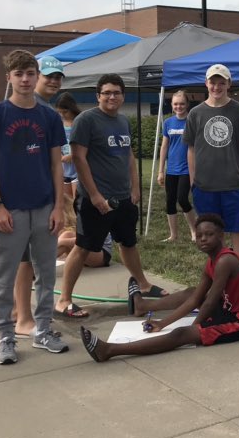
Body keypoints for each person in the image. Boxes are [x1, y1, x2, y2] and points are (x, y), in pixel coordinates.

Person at [0, 50, 68, 364]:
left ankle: (43, 330)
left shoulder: (49, 117)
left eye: (30, 73)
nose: (26, 79)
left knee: (46, 275)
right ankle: (6, 337)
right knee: (4, 278)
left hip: (44, 207)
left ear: (36, 75)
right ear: (9, 78)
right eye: (19, 74)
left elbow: (57, 165)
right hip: (11, 211)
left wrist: (59, 207)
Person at [55, 73, 166, 318]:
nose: (111, 97)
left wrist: (135, 187)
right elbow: (78, 158)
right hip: (95, 200)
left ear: (122, 95)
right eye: (106, 92)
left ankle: (144, 285)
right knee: (83, 247)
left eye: (116, 92)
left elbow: (128, 156)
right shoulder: (86, 120)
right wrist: (94, 196)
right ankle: (63, 300)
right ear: (98, 96)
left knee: (128, 243)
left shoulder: (122, 121)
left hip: (122, 197)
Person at [80, 213, 239, 361]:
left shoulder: (225, 261)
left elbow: (208, 304)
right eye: (199, 236)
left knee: (180, 334)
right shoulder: (212, 262)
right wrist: (162, 323)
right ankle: (142, 306)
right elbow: (195, 298)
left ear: (221, 236)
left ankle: (109, 350)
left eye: (209, 234)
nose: (203, 239)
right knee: (191, 292)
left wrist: (194, 329)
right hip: (227, 309)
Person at [183, 64, 239, 268]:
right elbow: (190, 149)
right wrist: (193, 181)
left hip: (234, 185)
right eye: (213, 82)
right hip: (205, 187)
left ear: (228, 84)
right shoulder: (195, 113)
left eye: (221, 83)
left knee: (238, 234)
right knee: (212, 237)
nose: (216, 87)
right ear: (206, 83)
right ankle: (218, 278)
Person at [157, 90, 197, 243]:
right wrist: (161, 170)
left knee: (182, 199)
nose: (178, 106)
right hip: (171, 169)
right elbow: (164, 146)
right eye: (175, 104)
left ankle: (194, 231)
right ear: (171, 105)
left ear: (187, 104)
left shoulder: (192, 122)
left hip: (187, 169)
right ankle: (173, 235)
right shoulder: (168, 123)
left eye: (181, 103)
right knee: (170, 201)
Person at [56, 92, 81, 201]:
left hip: (78, 169)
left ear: (72, 108)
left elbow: (85, 144)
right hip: (64, 169)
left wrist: (73, 155)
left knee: (77, 200)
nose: (62, 115)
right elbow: (55, 143)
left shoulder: (79, 122)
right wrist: (60, 155)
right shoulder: (58, 124)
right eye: (59, 112)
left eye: (65, 112)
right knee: (68, 202)